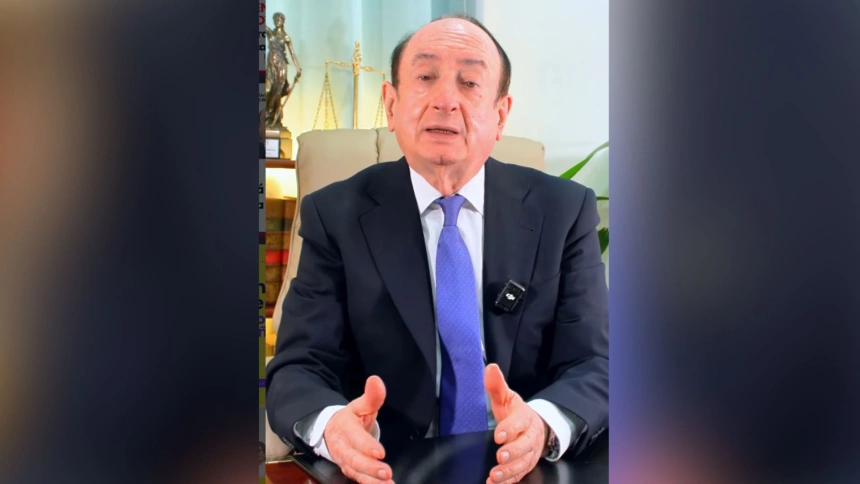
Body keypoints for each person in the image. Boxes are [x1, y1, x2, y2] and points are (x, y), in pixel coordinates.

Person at [267, 13, 608, 484]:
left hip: (525, 465)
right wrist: (333, 427)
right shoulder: (336, 215)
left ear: (500, 115)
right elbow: (298, 367)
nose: (445, 100)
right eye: (425, 77)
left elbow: (594, 362)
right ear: (391, 104)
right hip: (387, 465)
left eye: (469, 83)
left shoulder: (563, 211)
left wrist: (542, 424)